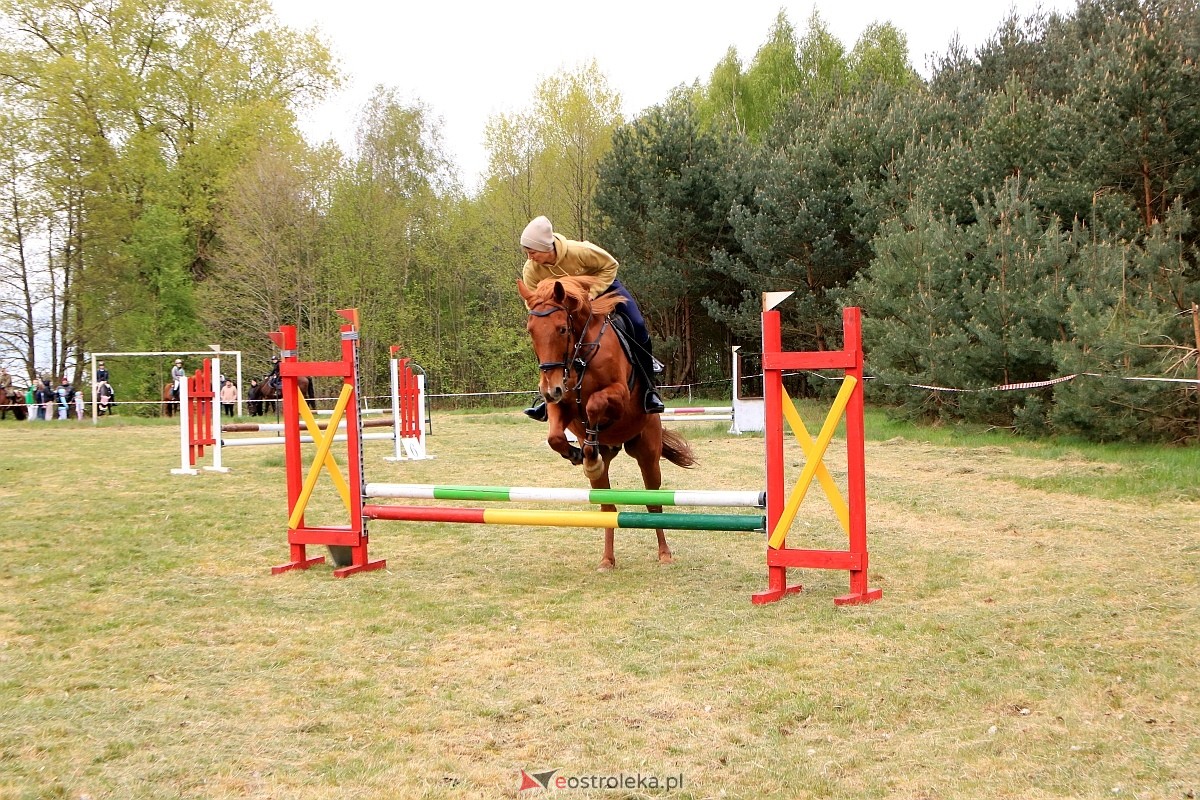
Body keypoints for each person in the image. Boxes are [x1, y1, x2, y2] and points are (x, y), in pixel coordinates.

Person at [518, 215, 664, 420]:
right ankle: (547, 397)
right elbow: (533, 302)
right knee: (549, 340)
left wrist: (592, 293)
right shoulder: (531, 270)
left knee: (637, 323)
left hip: (600, 289)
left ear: (545, 247)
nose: (530, 257)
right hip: (563, 308)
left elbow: (611, 265)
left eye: (532, 252)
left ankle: (649, 390)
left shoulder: (579, 251)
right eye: (527, 252)